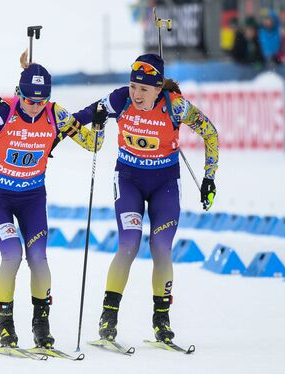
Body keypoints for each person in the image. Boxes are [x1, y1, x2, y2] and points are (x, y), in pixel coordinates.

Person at [0, 52, 104, 349]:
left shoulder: (55, 114)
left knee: (38, 257)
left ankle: (41, 324)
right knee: (12, 255)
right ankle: (5, 324)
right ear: (20, 93)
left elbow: (93, 145)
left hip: (32, 198)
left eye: (41, 101)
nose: (35, 107)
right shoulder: (4, 110)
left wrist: (98, 122)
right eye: (29, 100)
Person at [72, 54, 219, 343]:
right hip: (129, 181)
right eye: (133, 86)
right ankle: (109, 316)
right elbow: (76, 121)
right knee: (129, 243)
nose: (136, 95)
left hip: (164, 182)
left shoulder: (176, 106)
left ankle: (161, 320)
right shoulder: (118, 99)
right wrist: (90, 126)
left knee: (161, 246)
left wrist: (209, 177)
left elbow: (210, 133)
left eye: (144, 89)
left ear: (157, 88)